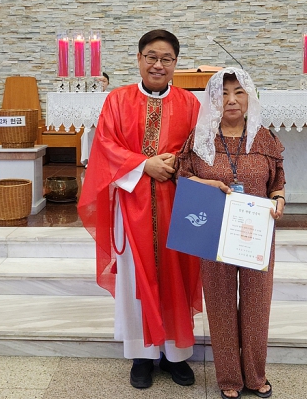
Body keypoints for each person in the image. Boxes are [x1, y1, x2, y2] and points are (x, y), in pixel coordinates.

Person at [77, 30, 203, 390]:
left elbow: (200, 150)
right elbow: (105, 146)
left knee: (176, 274)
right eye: (151, 57)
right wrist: (144, 165)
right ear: (138, 59)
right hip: (132, 205)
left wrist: (176, 165)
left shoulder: (190, 104)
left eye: (166, 59)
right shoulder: (117, 100)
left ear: (175, 63)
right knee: (135, 277)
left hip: (176, 205)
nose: (158, 65)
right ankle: (142, 355)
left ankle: (176, 354)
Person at [176, 67, 285, 399]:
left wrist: (279, 200)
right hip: (213, 230)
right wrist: (206, 183)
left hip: (255, 233)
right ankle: (228, 378)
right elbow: (182, 176)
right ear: (212, 100)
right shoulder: (201, 138)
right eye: (223, 93)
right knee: (220, 303)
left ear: (250, 97)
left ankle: (255, 375)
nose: (231, 100)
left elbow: (277, 182)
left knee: (256, 304)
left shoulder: (264, 138)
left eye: (238, 92)